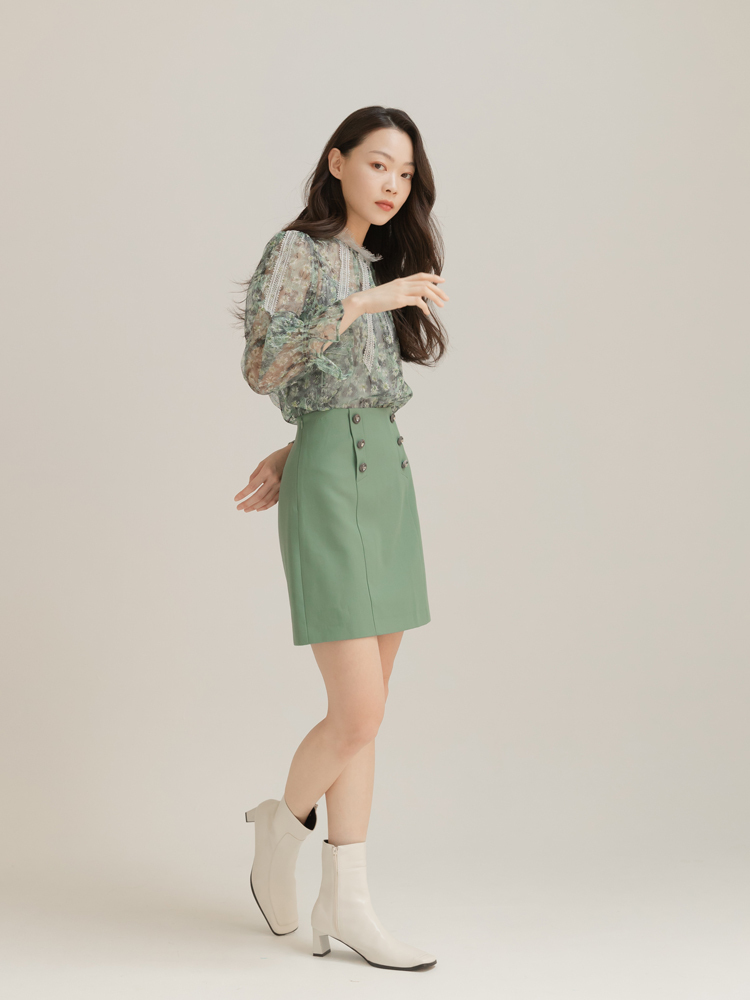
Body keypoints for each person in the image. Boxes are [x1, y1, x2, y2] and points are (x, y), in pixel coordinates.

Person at [232, 106, 448, 971]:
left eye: (406, 173)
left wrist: (298, 443)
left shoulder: (376, 259)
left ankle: (348, 904)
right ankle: (280, 830)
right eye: (379, 164)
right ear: (337, 163)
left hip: (386, 477)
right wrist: (363, 302)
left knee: (368, 719)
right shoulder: (299, 252)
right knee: (357, 710)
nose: (393, 184)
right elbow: (263, 366)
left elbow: (350, 391)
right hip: (332, 486)